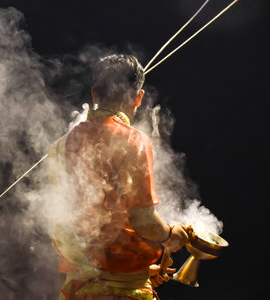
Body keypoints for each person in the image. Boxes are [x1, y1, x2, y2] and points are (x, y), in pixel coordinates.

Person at [48, 54, 189, 300]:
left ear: (94, 94)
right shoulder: (132, 140)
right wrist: (170, 236)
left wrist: (140, 269)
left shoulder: (60, 146)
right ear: (138, 97)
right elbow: (143, 219)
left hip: (78, 291)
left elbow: (61, 222)